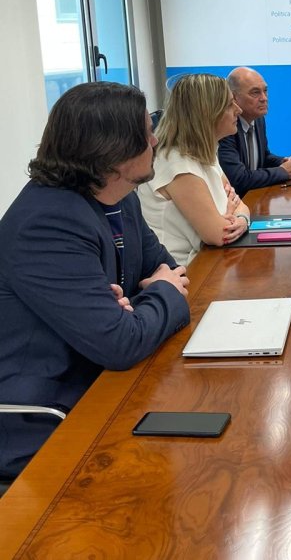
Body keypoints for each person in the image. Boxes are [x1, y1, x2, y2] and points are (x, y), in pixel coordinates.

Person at [0, 82, 190, 481]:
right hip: (46, 418)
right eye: (145, 131)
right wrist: (148, 300)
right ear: (112, 150)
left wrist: (136, 308)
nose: (155, 139)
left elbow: (172, 273)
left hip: (105, 382)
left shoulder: (122, 196)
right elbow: (121, 341)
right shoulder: (48, 222)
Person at [138, 74, 252, 266]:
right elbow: (220, 234)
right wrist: (230, 210)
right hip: (185, 277)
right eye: (230, 105)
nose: (238, 110)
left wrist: (237, 215)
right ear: (208, 113)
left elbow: (240, 204)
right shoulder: (176, 163)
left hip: (210, 263)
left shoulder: (204, 153)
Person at [219, 67, 291, 196]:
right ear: (234, 97)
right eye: (255, 93)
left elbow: (263, 158)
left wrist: (285, 162)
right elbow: (238, 179)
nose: (264, 98)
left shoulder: (258, 120)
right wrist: (283, 171)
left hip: (256, 198)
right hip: (236, 204)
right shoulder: (226, 128)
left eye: (265, 91)